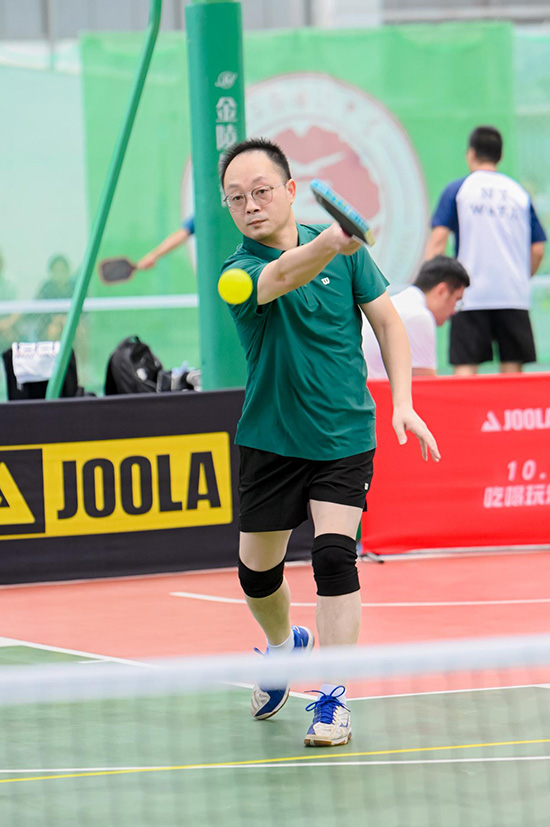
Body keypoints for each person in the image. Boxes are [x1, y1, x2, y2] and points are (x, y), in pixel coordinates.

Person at [219, 137, 440, 748]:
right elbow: (283, 274)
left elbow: (388, 322)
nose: (250, 205)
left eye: (261, 191)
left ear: (290, 190)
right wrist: (333, 242)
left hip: (344, 433)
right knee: (256, 573)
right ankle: (282, 645)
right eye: (236, 198)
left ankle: (333, 697)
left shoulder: (346, 253)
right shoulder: (237, 273)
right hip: (270, 438)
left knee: (335, 557)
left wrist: (403, 402)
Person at [426, 125, 547, 375]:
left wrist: (432, 287)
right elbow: (537, 249)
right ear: (500, 156)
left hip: (468, 295)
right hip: (512, 294)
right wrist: (521, 276)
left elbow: (438, 240)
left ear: (470, 154)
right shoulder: (519, 194)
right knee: (512, 373)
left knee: (465, 371)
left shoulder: (459, 190)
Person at [362, 256, 470, 378]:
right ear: (442, 291)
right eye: (456, 300)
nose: (454, 311)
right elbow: (426, 384)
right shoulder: (419, 316)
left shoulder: (401, 303)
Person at [0, 249, 20, 354]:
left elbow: (17, 310)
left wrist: (7, 324)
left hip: (7, 326)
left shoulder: (9, 284)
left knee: (10, 337)